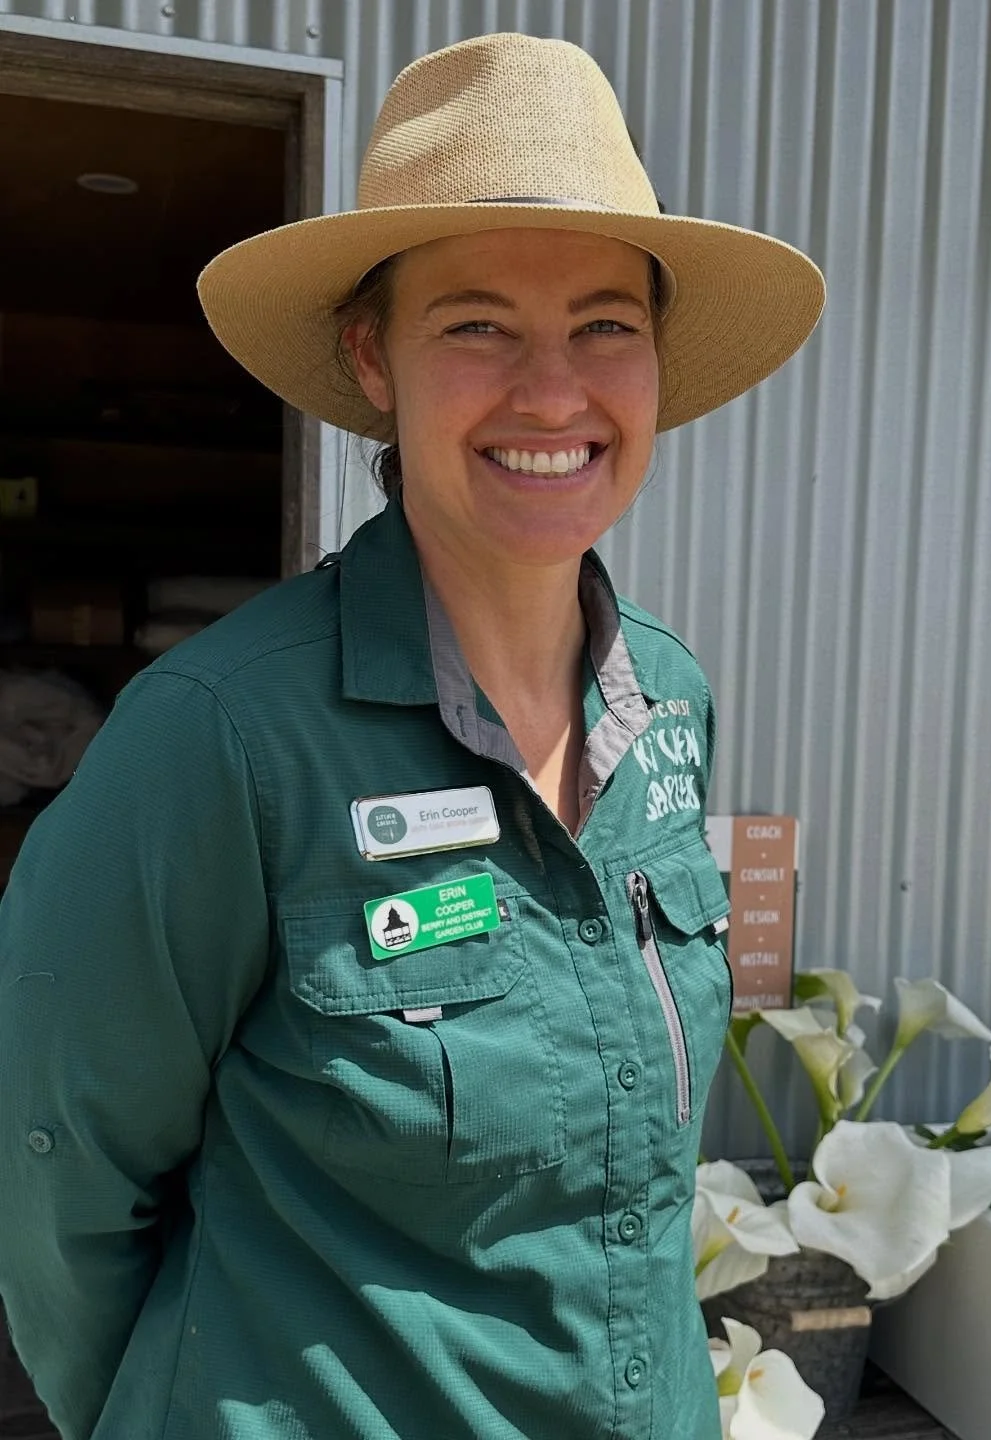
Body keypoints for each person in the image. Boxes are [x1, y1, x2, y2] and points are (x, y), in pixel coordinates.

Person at [0, 33, 823, 1440]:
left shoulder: (667, 699)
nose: (553, 392)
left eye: (607, 323)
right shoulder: (220, 737)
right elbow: (57, 1176)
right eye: (478, 324)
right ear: (372, 358)